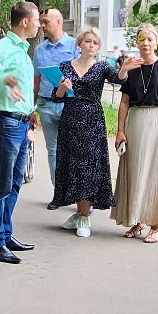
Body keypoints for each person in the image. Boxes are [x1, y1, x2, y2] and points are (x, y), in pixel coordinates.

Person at [0, 1, 41, 264]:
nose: (39, 25)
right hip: (6, 125)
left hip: (21, 124)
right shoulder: (4, 47)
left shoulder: (23, 50)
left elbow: (23, 88)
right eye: (36, 20)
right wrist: (6, 80)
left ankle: (5, 234)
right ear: (24, 22)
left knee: (15, 183)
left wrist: (31, 112)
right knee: (1, 185)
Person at [112, 23, 158, 243]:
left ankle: (156, 225)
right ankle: (138, 219)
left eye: (150, 39)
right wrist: (120, 131)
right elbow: (124, 102)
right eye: (142, 39)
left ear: (156, 42)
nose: (146, 43)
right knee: (135, 171)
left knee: (156, 172)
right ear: (137, 42)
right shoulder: (132, 68)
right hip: (136, 122)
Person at [49, 28, 117, 238]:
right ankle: (79, 213)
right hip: (70, 120)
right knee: (73, 167)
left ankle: (85, 217)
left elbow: (119, 78)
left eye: (95, 43)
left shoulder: (102, 67)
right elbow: (56, 96)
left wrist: (124, 69)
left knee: (89, 167)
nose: (91, 45)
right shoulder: (65, 66)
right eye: (88, 41)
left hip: (92, 121)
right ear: (79, 43)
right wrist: (62, 89)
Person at [31, 8, 77, 205]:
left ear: (59, 22)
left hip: (69, 105)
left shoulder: (75, 45)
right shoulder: (39, 50)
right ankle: (59, 194)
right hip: (46, 105)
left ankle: (80, 197)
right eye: (41, 22)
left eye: (46, 22)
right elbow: (36, 81)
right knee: (54, 150)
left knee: (74, 150)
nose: (42, 25)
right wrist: (31, 108)